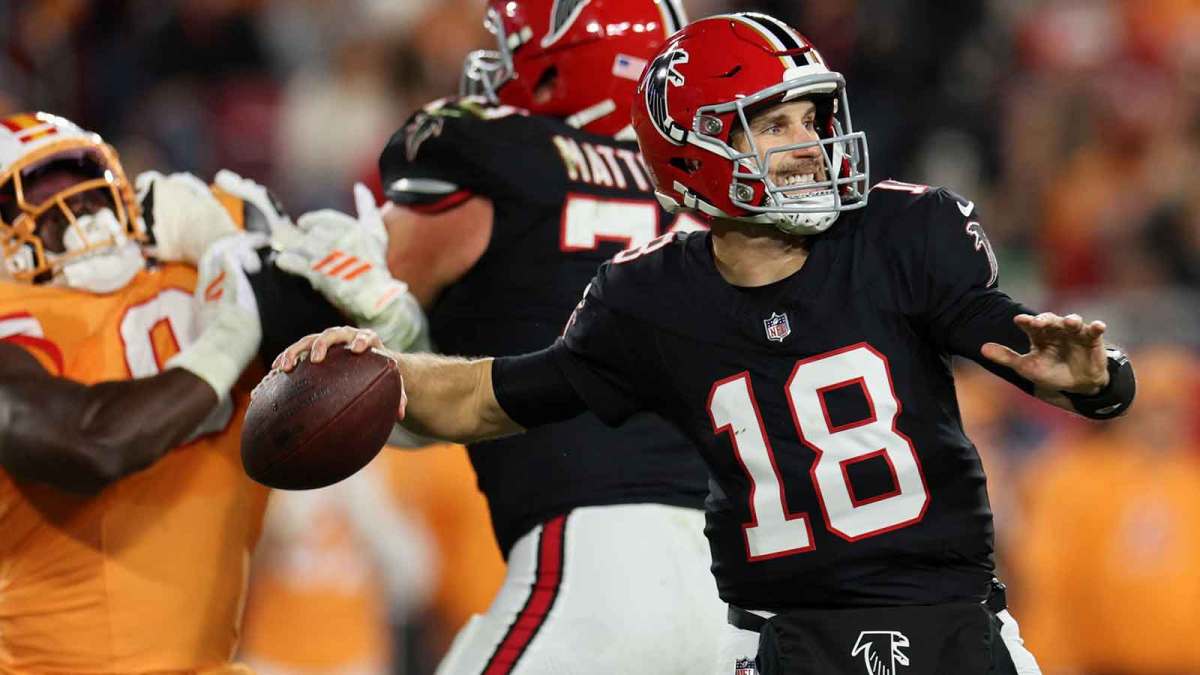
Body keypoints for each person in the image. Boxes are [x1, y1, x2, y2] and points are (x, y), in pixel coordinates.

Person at [274, 12, 1136, 675]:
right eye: (781, 124)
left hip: (954, 627)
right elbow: (494, 395)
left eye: (814, 117)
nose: (813, 145)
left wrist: (1093, 381)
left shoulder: (904, 230)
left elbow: (1009, 335)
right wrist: (376, 362)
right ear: (695, 148)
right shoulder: (650, 295)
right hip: (787, 640)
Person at [374, 0, 724, 673]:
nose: (497, 69)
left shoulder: (501, 155)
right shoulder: (713, 195)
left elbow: (370, 289)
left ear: (563, 69)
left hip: (594, 552)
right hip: (737, 575)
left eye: (514, 52)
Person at [0, 111, 390, 672]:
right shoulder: (24, 324)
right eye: (37, 199)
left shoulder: (201, 263)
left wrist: (246, 240)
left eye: (83, 190)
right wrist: (232, 331)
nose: (76, 211)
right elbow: (90, 443)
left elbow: (357, 346)